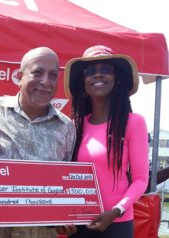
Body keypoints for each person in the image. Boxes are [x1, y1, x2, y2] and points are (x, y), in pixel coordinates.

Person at [0, 47, 77, 238]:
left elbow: (64, 185)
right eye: (37, 72)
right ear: (19, 76)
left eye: (53, 75)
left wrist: (64, 218)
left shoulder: (66, 127)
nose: (45, 82)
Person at [63, 45, 149, 237]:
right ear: (83, 82)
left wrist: (117, 210)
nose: (98, 75)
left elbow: (141, 180)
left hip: (117, 223)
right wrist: (64, 214)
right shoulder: (74, 126)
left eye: (106, 70)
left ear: (117, 78)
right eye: (90, 71)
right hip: (79, 224)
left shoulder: (133, 122)